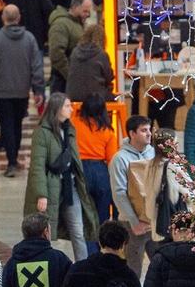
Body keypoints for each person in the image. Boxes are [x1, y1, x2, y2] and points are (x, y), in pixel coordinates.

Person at [27, 93, 99, 258]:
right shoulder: (42, 132)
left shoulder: (69, 129)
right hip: (50, 187)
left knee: (78, 230)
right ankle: (46, 263)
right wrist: (41, 194)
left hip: (70, 186)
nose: (71, 109)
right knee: (46, 232)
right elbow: (37, 166)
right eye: (67, 106)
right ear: (57, 108)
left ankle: (82, 267)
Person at [0, 5, 42, 177]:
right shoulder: (29, 39)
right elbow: (36, 65)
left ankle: (12, 162)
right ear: (19, 17)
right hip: (22, 91)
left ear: (3, 18)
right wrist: (38, 89)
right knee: (17, 125)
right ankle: (13, 159)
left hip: (1, 92)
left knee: (6, 126)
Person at [107, 124, 156, 276]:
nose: (149, 134)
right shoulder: (119, 158)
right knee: (132, 271)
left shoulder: (153, 152)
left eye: (149, 130)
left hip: (153, 222)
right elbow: (119, 194)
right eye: (143, 130)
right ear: (132, 134)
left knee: (161, 265)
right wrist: (135, 222)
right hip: (132, 224)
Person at [72, 94, 117, 232]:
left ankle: (89, 250)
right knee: (102, 215)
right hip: (101, 171)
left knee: (85, 218)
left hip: (79, 169)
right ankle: (101, 246)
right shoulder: (108, 131)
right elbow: (112, 159)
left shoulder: (73, 124)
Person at [44, 0, 89, 92]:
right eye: (85, 11)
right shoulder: (61, 25)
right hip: (62, 80)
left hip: (70, 78)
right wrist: (70, 75)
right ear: (75, 7)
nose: (87, 15)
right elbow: (56, 54)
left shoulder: (76, 24)